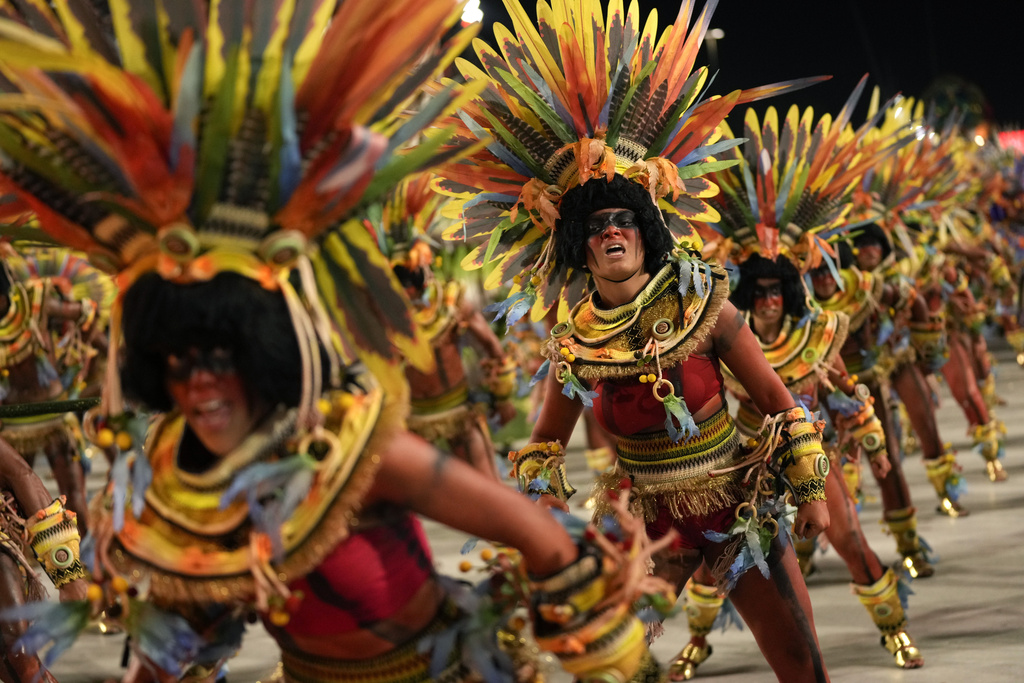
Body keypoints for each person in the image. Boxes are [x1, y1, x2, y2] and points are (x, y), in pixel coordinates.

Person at [0, 2, 669, 682]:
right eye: (177, 361)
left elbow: (539, 540)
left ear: (264, 350)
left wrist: (607, 651)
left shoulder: (360, 452)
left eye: (219, 358)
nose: (197, 382)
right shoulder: (191, 498)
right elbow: (176, 645)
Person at [674, 254, 922, 678]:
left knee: (854, 546)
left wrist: (876, 447)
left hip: (809, 462)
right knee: (713, 567)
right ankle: (696, 641)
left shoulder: (817, 336)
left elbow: (849, 398)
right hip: (749, 467)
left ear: (788, 293)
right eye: (760, 291)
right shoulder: (731, 333)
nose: (769, 300)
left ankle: (895, 630)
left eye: (777, 291)